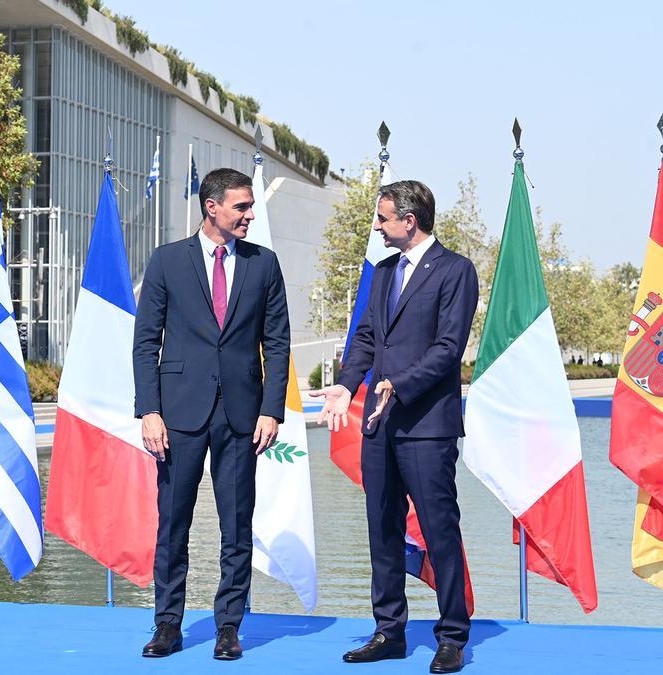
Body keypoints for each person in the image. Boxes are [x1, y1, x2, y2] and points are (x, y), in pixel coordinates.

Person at [312, 180, 478, 674]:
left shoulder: (455, 271)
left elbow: (449, 348)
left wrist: (397, 384)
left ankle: (452, 636)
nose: (378, 227)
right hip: (379, 427)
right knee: (382, 529)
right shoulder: (383, 273)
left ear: (410, 220)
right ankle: (389, 631)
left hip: (427, 426)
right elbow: (366, 336)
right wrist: (347, 385)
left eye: (383, 219)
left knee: (438, 530)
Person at [132, 168, 291, 661]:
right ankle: (167, 625)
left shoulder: (264, 264)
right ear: (212, 208)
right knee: (172, 524)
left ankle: (228, 627)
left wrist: (272, 410)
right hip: (178, 415)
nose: (249, 214)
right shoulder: (167, 261)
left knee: (236, 525)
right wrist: (149, 411)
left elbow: (278, 343)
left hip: (243, 416)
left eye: (250, 207)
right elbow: (145, 342)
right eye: (242, 206)